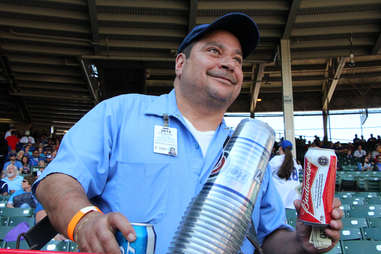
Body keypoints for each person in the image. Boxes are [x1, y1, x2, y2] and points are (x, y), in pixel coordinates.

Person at [33, 13, 342, 254]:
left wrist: (302, 244)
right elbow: (56, 182)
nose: (228, 64)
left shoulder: (248, 151)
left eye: (237, 59)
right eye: (214, 51)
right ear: (180, 63)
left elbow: (272, 237)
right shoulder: (120, 113)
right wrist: (85, 220)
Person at [269, 140, 301, 209]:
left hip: (281, 201)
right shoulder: (294, 161)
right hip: (294, 201)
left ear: (280, 148)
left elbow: (265, 176)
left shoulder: (276, 160)